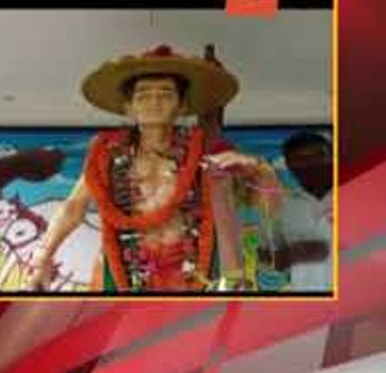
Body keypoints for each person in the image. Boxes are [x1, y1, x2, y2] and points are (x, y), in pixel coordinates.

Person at [27, 45, 282, 293]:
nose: (154, 102)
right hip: (123, 272)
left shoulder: (207, 151)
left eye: (166, 94)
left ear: (182, 106)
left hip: (195, 273)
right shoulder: (106, 152)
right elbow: (73, 207)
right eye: (143, 95)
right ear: (129, 107)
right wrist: (42, 258)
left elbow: (268, 208)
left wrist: (263, 171)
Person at [268, 131, 333, 291]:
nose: (312, 163)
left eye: (319, 155)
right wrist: (294, 254)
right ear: (290, 166)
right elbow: (267, 259)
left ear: (332, 157)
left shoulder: (359, 192)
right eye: (300, 160)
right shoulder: (284, 206)